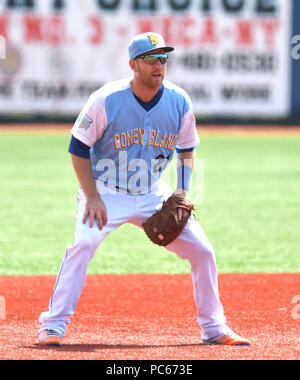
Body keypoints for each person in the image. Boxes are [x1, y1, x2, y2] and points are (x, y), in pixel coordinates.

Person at [38, 32, 250, 347]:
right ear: (133, 64)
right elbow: (78, 148)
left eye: (163, 59)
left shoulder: (179, 101)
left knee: (203, 251)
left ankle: (214, 328)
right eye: (151, 59)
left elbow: (187, 149)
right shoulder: (106, 99)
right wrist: (93, 196)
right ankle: (53, 326)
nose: (158, 65)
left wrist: (181, 192)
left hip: (152, 192)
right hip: (106, 191)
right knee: (83, 244)